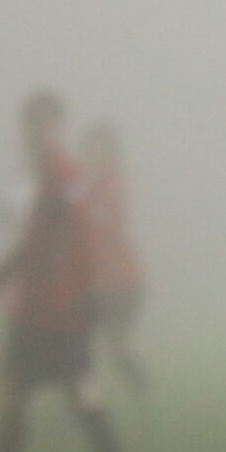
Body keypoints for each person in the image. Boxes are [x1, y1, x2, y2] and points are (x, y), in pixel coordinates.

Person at [0, 91, 138, 452]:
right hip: (34, 309)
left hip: (60, 311)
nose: (34, 133)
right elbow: (36, 246)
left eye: (43, 124)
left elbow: (82, 239)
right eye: (29, 125)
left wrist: (89, 291)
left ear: (57, 128)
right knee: (14, 399)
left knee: (82, 396)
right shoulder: (48, 176)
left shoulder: (64, 175)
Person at [77, 122, 150, 395]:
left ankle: (138, 390)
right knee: (85, 346)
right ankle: (86, 401)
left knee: (112, 346)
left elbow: (115, 225)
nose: (95, 157)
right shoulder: (84, 187)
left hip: (122, 281)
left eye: (102, 151)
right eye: (91, 151)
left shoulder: (117, 188)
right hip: (96, 280)